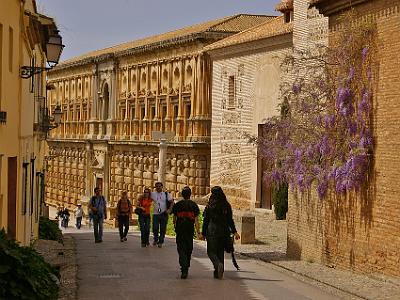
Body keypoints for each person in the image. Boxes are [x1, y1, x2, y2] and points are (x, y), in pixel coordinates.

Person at [201, 186, 240, 279]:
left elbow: (206, 220)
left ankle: (218, 264)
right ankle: (218, 272)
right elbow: (230, 220)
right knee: (220, 252)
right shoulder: (226, 205)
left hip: (212, 231)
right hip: (224, 231)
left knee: (211, 251)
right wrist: (234, 232)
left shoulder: (210, 205)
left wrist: (202, 233)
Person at [172, 186, 202, 279]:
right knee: (189, 248)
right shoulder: (194, 205)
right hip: (189, 230)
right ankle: (186, 265)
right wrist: (198, 232)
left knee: (181, 248)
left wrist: (175, 227)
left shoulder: (178, 205)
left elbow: (174, 218)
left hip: (180, 229)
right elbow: (196, 220)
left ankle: (183, 267)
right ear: (190, 194)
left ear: (182, 194)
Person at [150, 181, 174, 248]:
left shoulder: (166, 194)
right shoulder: (152, 194)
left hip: (164, 214)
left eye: (159, 186)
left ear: (162, 187)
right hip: (155, 214)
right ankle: (155, 239)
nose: (158, 187)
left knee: (163, 229)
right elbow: (145, 197)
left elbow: (172, 202)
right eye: (157, 186)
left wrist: (169, 210)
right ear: (155, 187)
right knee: (155, 228)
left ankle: (160, 242)